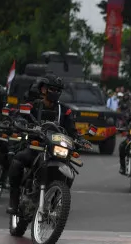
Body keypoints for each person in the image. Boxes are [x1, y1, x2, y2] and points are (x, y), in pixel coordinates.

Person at [7, 75, 78, 215]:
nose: (55, 93)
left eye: (58, 90)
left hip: (56, 151)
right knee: (17, 160)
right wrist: (21, 122)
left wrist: (79, 140)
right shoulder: (33, 106)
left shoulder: (65, 110)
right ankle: (13, 200)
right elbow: (19, 115)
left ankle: (57, 202)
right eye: (52, 89)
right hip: (36, 147)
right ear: (44, 89)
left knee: (69, 172)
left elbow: (71, 130)